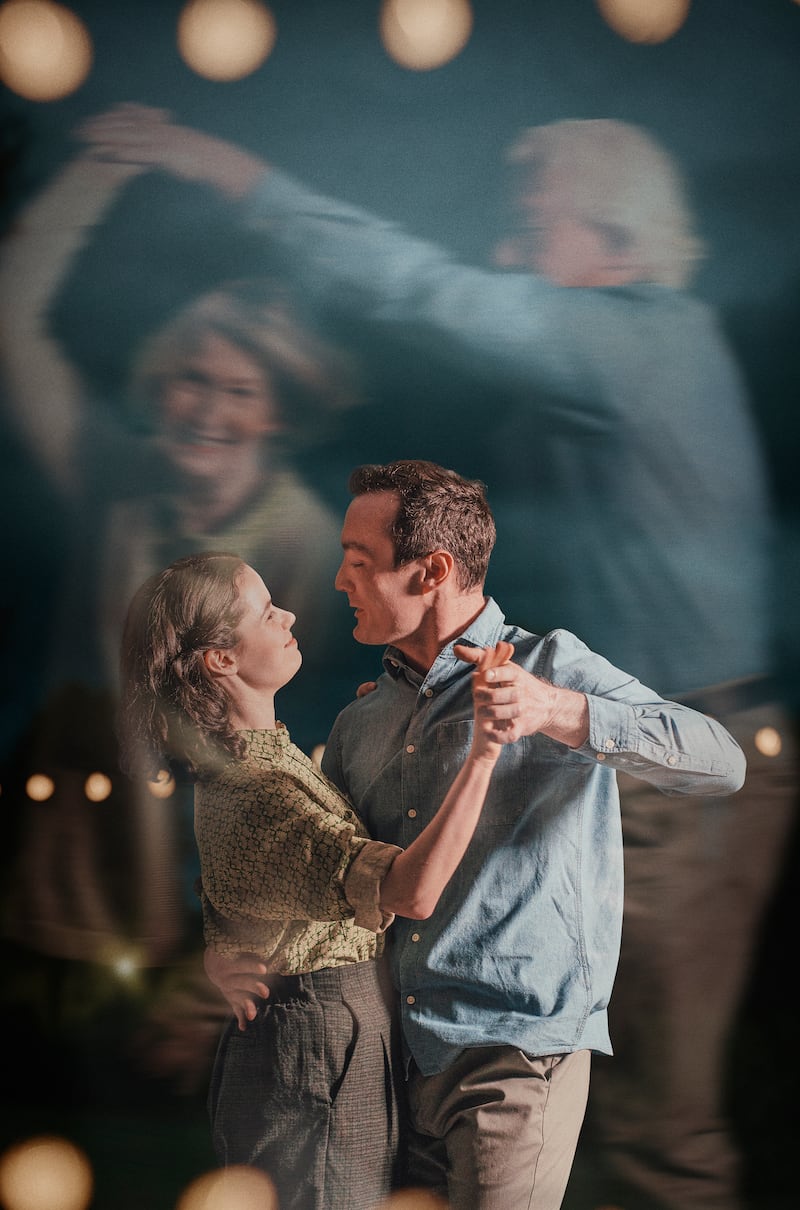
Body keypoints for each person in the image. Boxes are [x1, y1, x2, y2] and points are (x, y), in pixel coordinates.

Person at [81, 105, 798, 1210]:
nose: (507, 252)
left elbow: (421, 291)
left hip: (674, 784)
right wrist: (234, 958)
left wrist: (226, 171)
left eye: (529, 224)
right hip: (469, 968)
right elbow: (339, 854)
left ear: (609, 235)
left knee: (658, 1139)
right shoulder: (379, 705)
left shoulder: (633, 336)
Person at [194, 458, 747, 1210]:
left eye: (359, 562)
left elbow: (722, 761)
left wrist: (557, 711)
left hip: (514, 1053)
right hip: (394, 1060)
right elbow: (329, 878)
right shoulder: (359, 724)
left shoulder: (552, 665)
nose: (337, 580)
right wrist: (228, 951)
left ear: (431, 572)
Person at [117, 548, 514, 1210]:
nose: (289, 614)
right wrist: (486, 752)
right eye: (266, 610)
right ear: (221, 658)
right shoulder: (256, 788)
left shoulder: (264, 761)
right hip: (318, 1040)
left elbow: (251, 882)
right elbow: (410, 891)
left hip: (323, 1030)